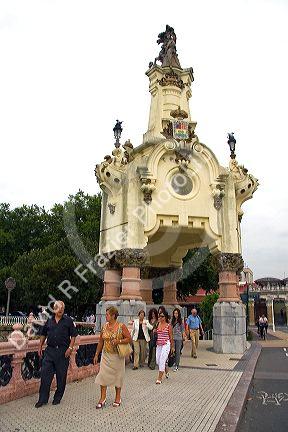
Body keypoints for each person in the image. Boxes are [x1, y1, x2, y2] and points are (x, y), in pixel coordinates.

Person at [35, 301, 77, 408]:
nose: (61, 311)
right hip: (50, 351)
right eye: (58, 309)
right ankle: (42, 399)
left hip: (63, 352)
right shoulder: (49, 320)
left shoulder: (68, 320)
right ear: (54, 309)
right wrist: (40, 346)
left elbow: (73, 335)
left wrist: (70, 348)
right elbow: (43, 334)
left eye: (62, 309)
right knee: (45, 376)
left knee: (61, 377)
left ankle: (57, 398)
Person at [93, 306, 132, 408]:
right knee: (102, 376)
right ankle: (102, 398)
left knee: (118, 377)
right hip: (106, 355)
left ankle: (118, 397)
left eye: (107, 314)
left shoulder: (121, 326)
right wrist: (97, 354)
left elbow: (129, 339)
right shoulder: (104, 326)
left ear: (113, 315)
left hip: (117, 357)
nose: (106, 316)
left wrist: (118, 341)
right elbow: (101, 341)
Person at [155, 309, 174, 384]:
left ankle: (159, 378)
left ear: (165, 317)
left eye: (162, 316)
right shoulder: (158, 324)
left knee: (162, 360)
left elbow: (171, 337)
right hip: (159, 344)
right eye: (159, 316)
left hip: (166, 344)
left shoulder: (169, 326)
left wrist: (172, 347)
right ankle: (166, 369)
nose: (160, 317)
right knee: (158, 361)